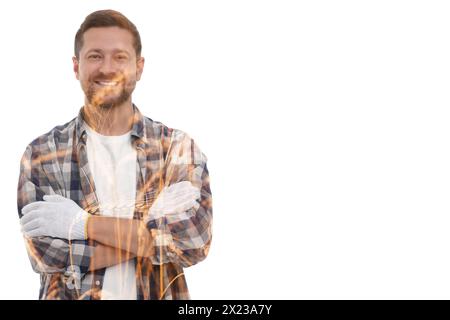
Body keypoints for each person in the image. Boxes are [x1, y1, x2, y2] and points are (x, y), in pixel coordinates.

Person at [16, 9, 213, 300]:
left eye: (120, 57)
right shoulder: (43, 153)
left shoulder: (177, 148)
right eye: (95, 56)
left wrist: (82, 224)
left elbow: (193, 242)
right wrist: (149, 234)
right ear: (76, 66)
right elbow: (46, 255)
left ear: (139, 67)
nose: (107, 67)